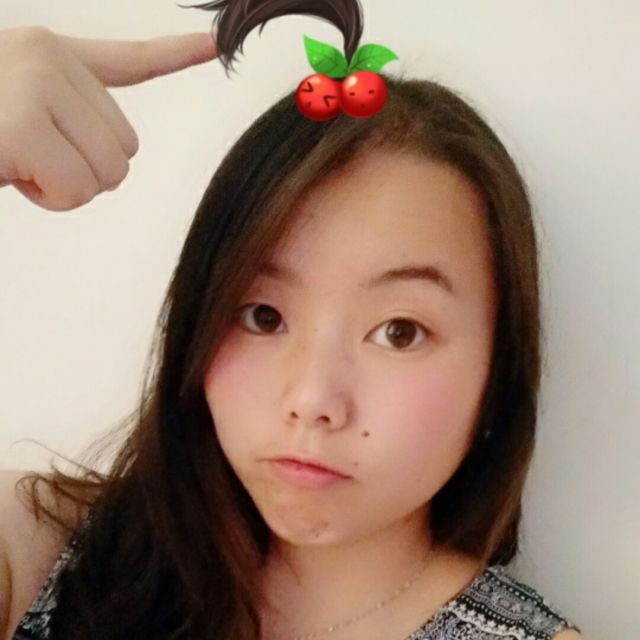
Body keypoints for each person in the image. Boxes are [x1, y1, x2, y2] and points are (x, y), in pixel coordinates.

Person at [0, 2, 585, 639]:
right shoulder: (42, 551)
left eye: (400, 332)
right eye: (264, 316)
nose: (311, 399)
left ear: (498, 371)